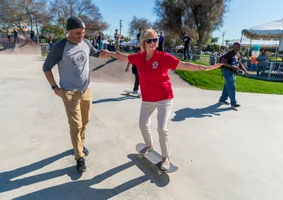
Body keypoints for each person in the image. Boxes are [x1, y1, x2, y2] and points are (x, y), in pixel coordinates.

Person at [101, 29, 221, 170]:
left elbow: (184, 65)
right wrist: (108, 53)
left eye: (155, 40)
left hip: (164, 97)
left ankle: (165, 158)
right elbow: (123, 57)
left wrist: (203, 67)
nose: (153, 43)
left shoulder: (163, 57)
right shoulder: (139, 57)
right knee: (142, 124)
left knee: (161, 128)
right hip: (148, 98)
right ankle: (149, 145)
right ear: (143, 43)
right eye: (149, 40)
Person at [43, 16, 106, 173]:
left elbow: (96, 53)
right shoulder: (59, 47)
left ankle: (80, 144)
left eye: (83, 32)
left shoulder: (86, 42)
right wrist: (54, 88)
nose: (81, 36)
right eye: (77, 33)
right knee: (76, 125)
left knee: (85, 121)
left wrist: (108, 54)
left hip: (87, 89)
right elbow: (46, 68)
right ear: (68, 31)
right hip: (69, 92)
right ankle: (79, 157)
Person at [218, 42, 249, 109]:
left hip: (233, 72)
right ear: (233, 47)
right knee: (232, 87)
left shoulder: (238, 54)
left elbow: (239, 63)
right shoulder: (229, 54)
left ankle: (222, 100)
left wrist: (245, 70)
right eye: (237, 47)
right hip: (227, 71)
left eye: (239, 47)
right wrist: (233, 67)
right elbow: (223, 62)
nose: (238, 48)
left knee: (227, 86)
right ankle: (233, 103)